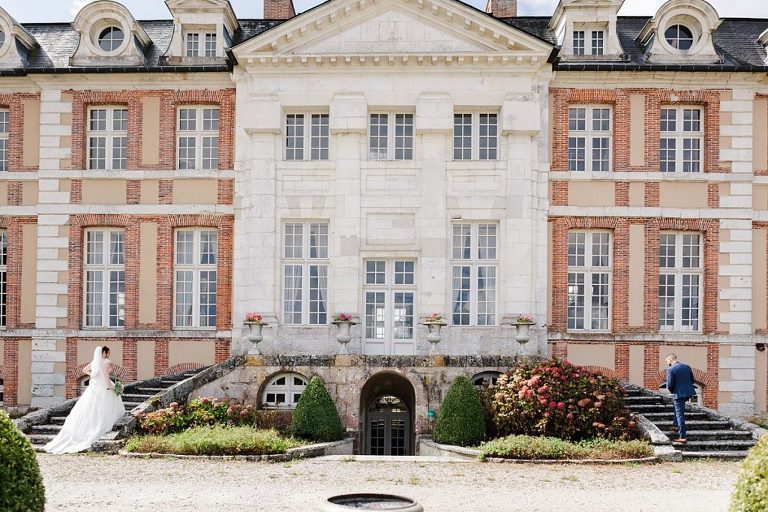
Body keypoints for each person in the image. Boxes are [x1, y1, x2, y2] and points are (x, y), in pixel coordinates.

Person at [45, 346, 125, 454]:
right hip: (103, 387)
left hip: (94, 386)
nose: (109, 354)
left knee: (91, 408)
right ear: (105, 353)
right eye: (108, 352)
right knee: (104, 407)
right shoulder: (106, 362)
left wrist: (92, 375)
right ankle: (102, 427)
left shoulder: (95, 362)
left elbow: (84, 370)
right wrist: (111, 387)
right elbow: (106, 377)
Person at [665, 353, 696, 444]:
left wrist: (673, 391)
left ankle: (683, 437)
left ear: (670, 360)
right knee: (676, 407)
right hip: (689, 392)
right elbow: (692, 380)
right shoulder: (687, 367)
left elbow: (670, 384)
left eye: (666, 361)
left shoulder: (670, 369)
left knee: (680, 414)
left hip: (679, 394)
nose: (667, 363)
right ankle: (675, 426)